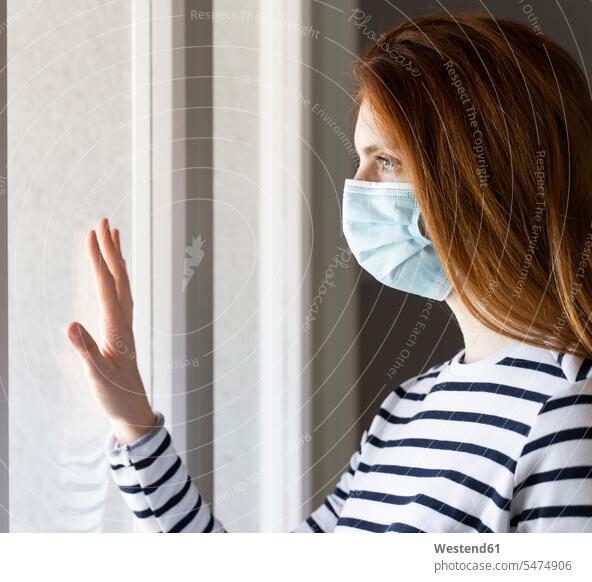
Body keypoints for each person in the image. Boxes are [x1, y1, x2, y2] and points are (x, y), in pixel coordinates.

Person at [66, 14, 592, 532]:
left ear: (484, 178)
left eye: (385, 160)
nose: (357, 183)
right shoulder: (405, 410)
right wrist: (134, 421)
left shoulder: (568, 418)